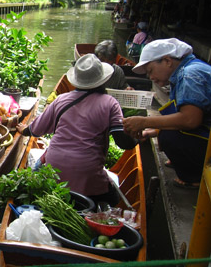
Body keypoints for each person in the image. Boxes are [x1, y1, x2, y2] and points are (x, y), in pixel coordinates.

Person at [17, 54, 136, 206]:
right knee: (114, 200)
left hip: (54, 171)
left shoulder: (61, 99)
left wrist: (24, 130)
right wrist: (137, 136)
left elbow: (35, 130)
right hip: (88, 175)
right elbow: (124, 143)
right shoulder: (110, 103)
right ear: (103, 80)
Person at [123, 38, 211, 188]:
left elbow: (190, 120)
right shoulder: (188, 70)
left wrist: (144, 122)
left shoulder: (189, 75)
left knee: (169, 137)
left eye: (150, 71)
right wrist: (154, 131)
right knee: (165, 130)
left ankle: (194, 177)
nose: (151, 77)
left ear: (167, 61)